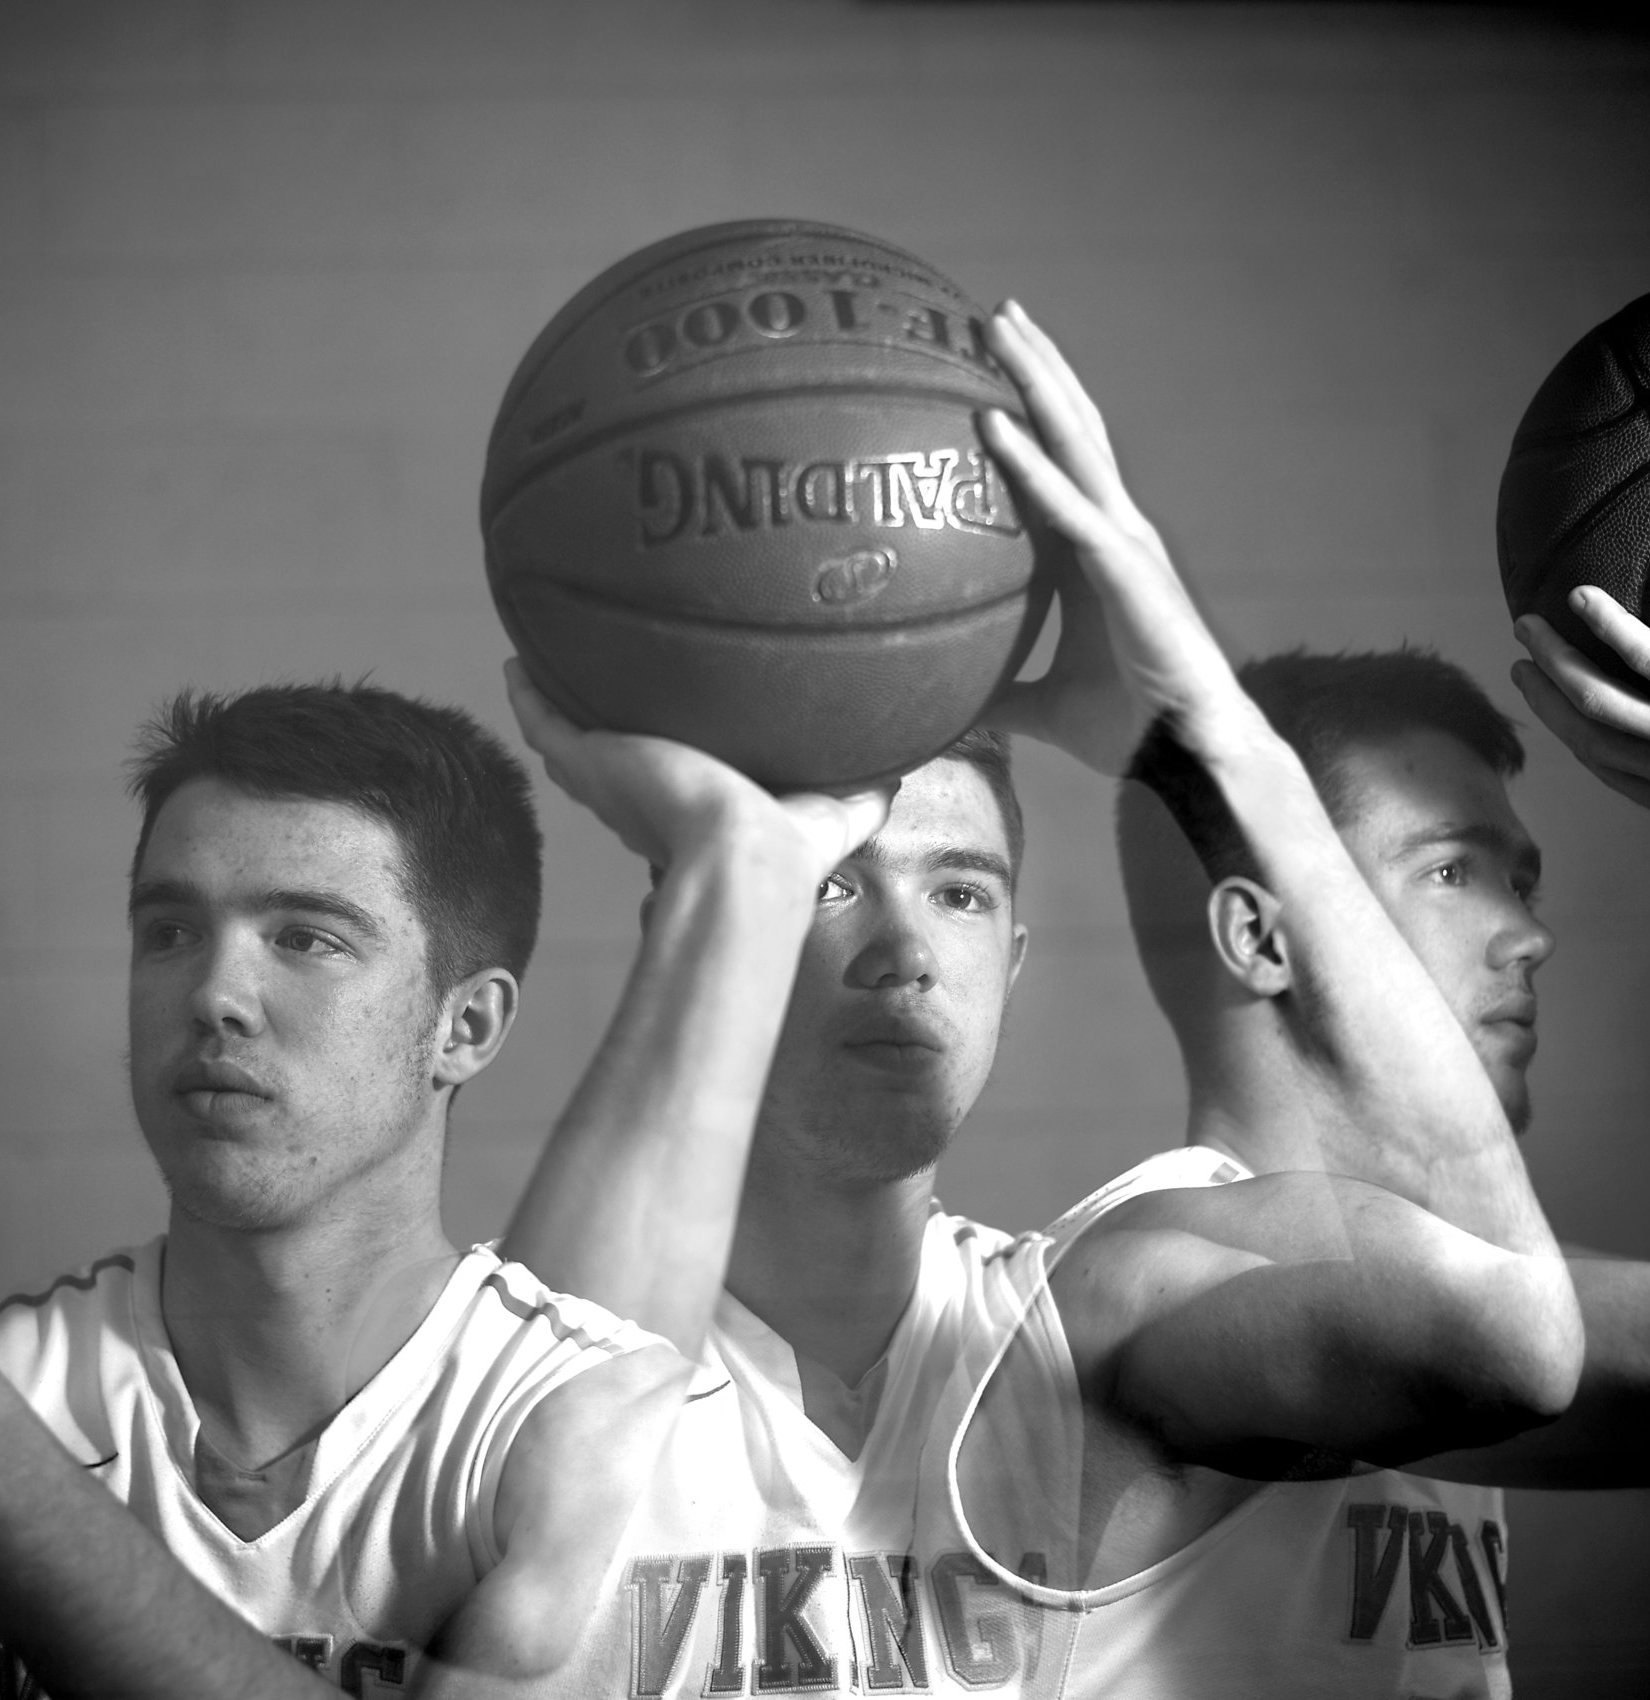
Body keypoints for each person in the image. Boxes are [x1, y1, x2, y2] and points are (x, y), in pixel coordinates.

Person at [495, 299, 1586, 1696]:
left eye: (960, 891)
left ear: (1012, 956)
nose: (905, 945)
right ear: (713, 922)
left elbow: (1515, 1338)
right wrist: (734, 862)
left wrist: (1203, 727)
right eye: (830, 883)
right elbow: (515, 1481)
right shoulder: (509, 1340)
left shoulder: (1090, 1317)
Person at [0, 681, 763, 1699]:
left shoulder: (612, 1423)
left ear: (466, 1024)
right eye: (171, 930)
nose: (214, 994)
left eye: (306, 936)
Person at [943, 597, 1650, 1692]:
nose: (1530, 932)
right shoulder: (1195, 1269)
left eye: (1517, 878)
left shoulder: (1422, 1281)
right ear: (1262, 935)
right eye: (1449, 869)